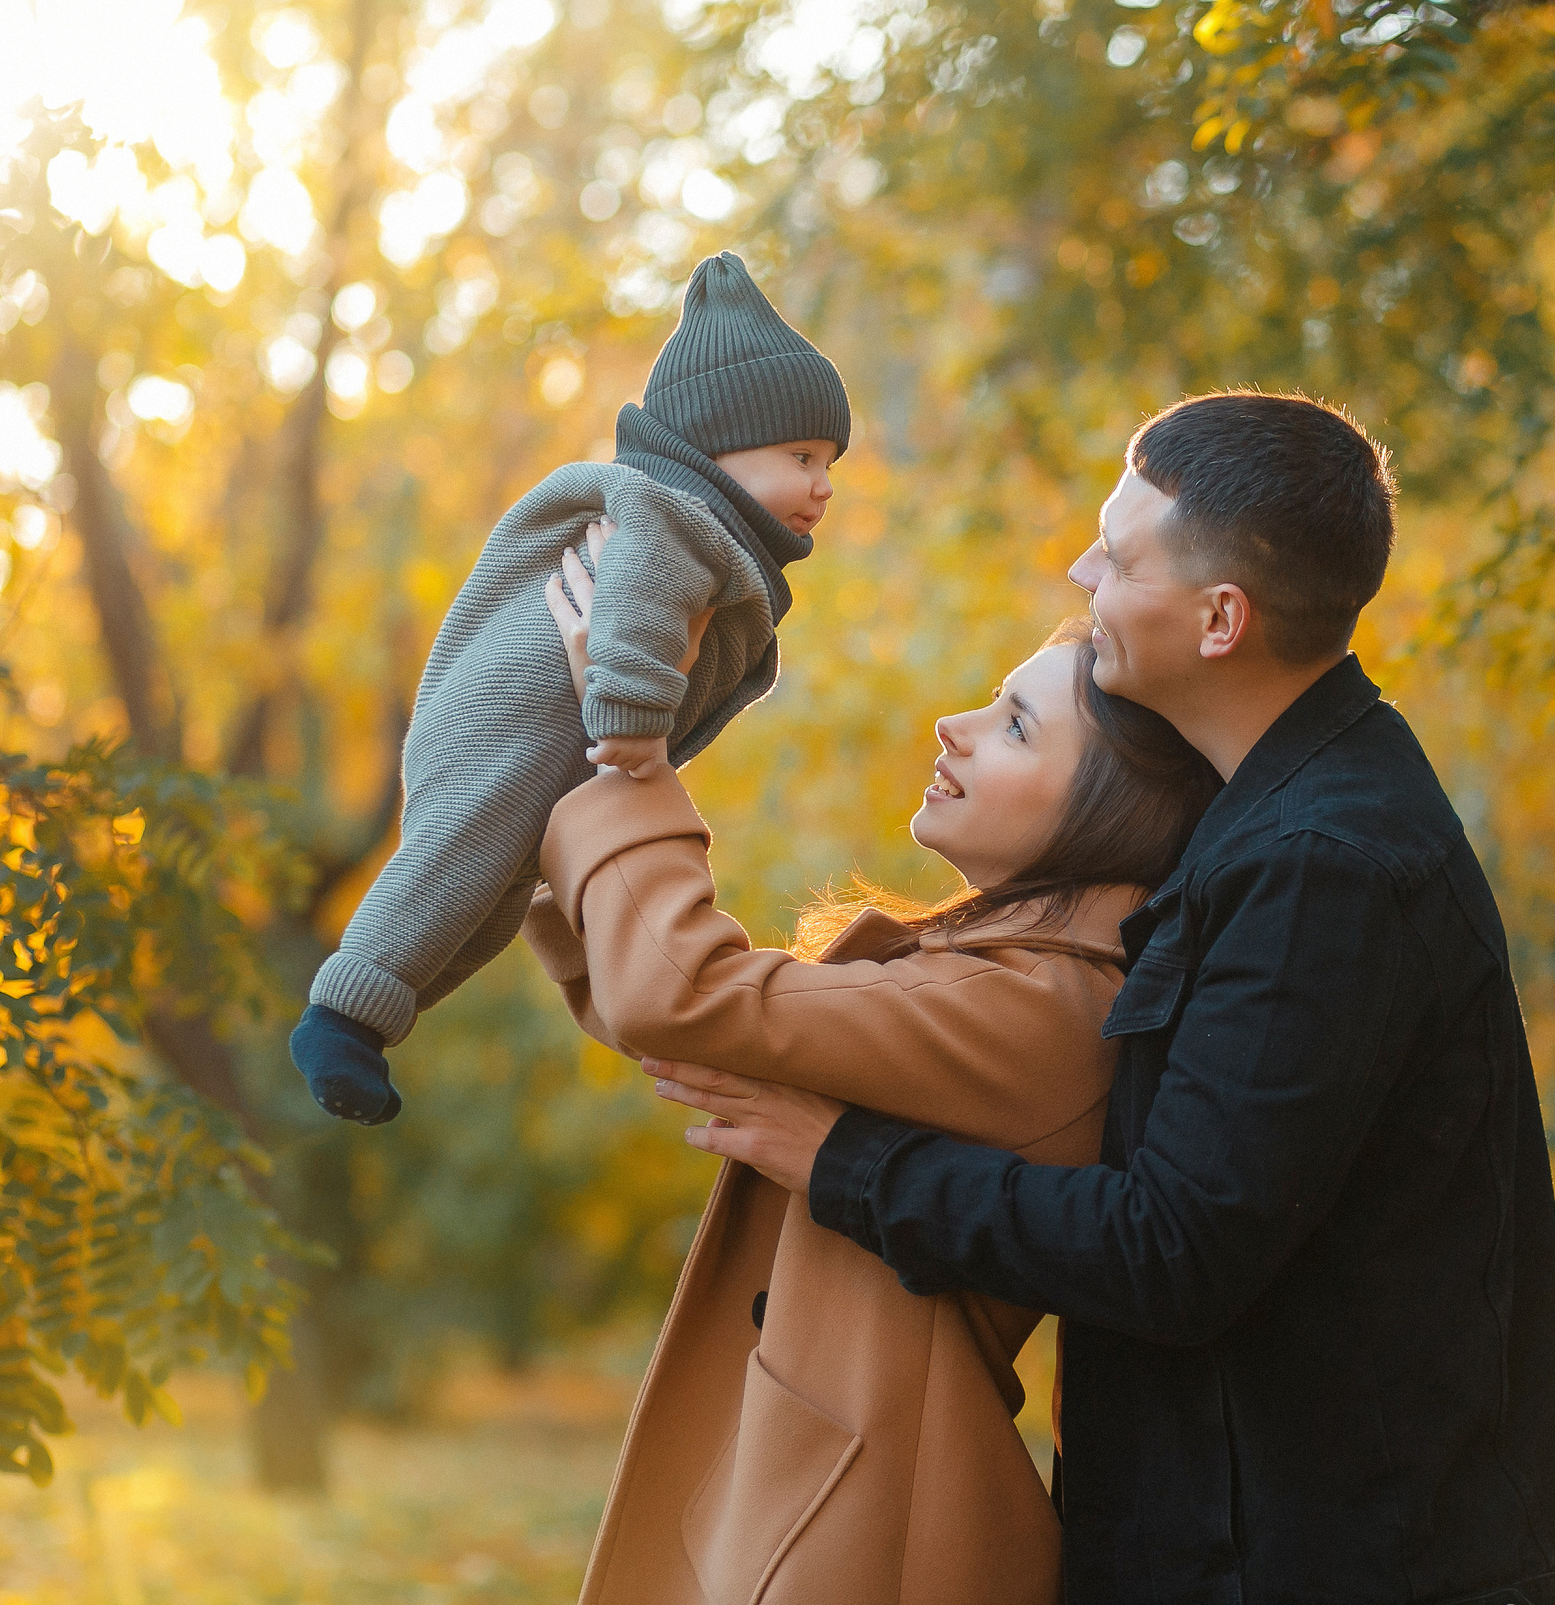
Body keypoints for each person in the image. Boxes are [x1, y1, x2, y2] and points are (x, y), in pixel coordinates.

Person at [651, 392, 1555, 1605]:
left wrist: (851, 1166)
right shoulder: (1268, 824)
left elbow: (1173, 1251)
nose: (1083, 572)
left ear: (1220, 619)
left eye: (1120, 556)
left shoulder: (1324, 868)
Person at [523, 537, 1221, 1605]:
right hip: (828, 1492)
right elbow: (692, 1021)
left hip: (865, 1531)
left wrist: (632, 757)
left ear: (1108, 811)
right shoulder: (1010, 974)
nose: (954, 725)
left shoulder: (1041, 1006)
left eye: (1016, 726)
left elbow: (683, 992)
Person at [290, 250, 849, 1124]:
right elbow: (638, 603)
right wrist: (630, 719)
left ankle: (381, 1022)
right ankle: (341, 1014)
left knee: (490, 900)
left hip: (545, 742)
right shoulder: (672, 514)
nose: (823, 484)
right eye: (802, 454)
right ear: (716, 447)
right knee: (458, 857)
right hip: (514, 715)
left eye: (831, 463)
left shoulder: (710, 537)